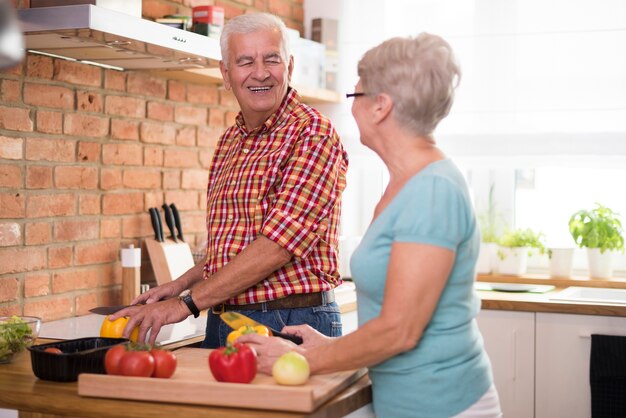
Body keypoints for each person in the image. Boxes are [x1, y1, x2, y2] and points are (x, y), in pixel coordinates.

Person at [239, 34, 502, 418]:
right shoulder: (406, 182)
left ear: (380, 106)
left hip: (445, 405)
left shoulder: (432, 191)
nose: (353, 108)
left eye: (355, 96)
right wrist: (323, 345)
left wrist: (307, 358)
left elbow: (399, 330)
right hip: (409, 403)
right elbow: (389, 319)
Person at [110, 12, 348, 347]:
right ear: (226, 73)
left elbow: (277, 247)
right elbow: (235, 250)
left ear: (289, 67)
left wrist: (186, 303)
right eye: (245, 61)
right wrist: (178, 285)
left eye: (271, 59)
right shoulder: (230, 142)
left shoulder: (312, 133)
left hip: (290, 321)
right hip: (223, 317)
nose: (260, 73)